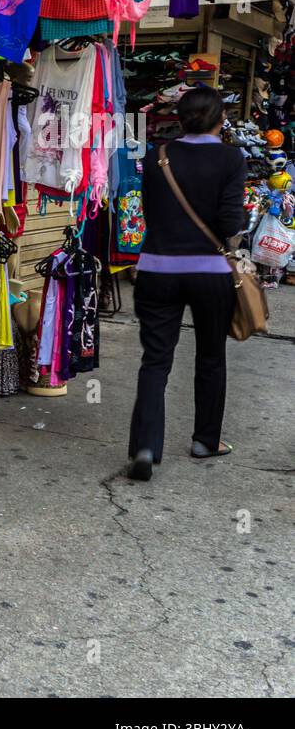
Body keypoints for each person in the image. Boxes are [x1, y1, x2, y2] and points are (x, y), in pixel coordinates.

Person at [126, 86, 247, 481]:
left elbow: (149, 211)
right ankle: (205, 441)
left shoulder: (157, 155)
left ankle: (145, 447)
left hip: (158, 270)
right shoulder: (231, 158)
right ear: (220, 119)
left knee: (156, 360)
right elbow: (231, 224)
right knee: (211, 356)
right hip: (210, 274)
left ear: (180, 118)